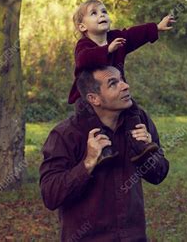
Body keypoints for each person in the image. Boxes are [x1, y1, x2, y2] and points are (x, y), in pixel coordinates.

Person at [40, 65, 170, 241]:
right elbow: (50, 195)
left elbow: (158, 175)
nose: (125, 86)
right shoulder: (66, 135)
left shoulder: (139, 121)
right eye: (113, 83)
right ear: (94, 98)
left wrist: (148, 150)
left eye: (122, 79)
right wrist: (88, 163)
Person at [67, 0, 175, 164]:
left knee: (133, 112)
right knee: (88, 117)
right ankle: (104, 150)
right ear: (83, 27)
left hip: (117, 93)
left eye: (104, 12)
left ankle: (139, 146)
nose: (101, 15)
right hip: (88, 96)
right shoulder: (84, 45)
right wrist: (107, 50)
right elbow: (83, 60)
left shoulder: (116, 37)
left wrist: (157, 27)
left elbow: (133, 35)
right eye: (94, 13)